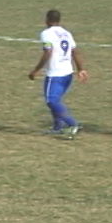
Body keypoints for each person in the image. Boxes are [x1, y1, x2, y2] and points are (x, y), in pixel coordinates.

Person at [28, 10, 88, 139]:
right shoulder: (66, 33)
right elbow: (75, 52)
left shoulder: (46, 33)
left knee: (51, 100)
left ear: (47, 20)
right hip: (68, 73)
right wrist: (81, 69)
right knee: (56, 100)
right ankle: (57, 127)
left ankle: (73, 124)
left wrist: (36, 70)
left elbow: (47, 52)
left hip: (55, 74)